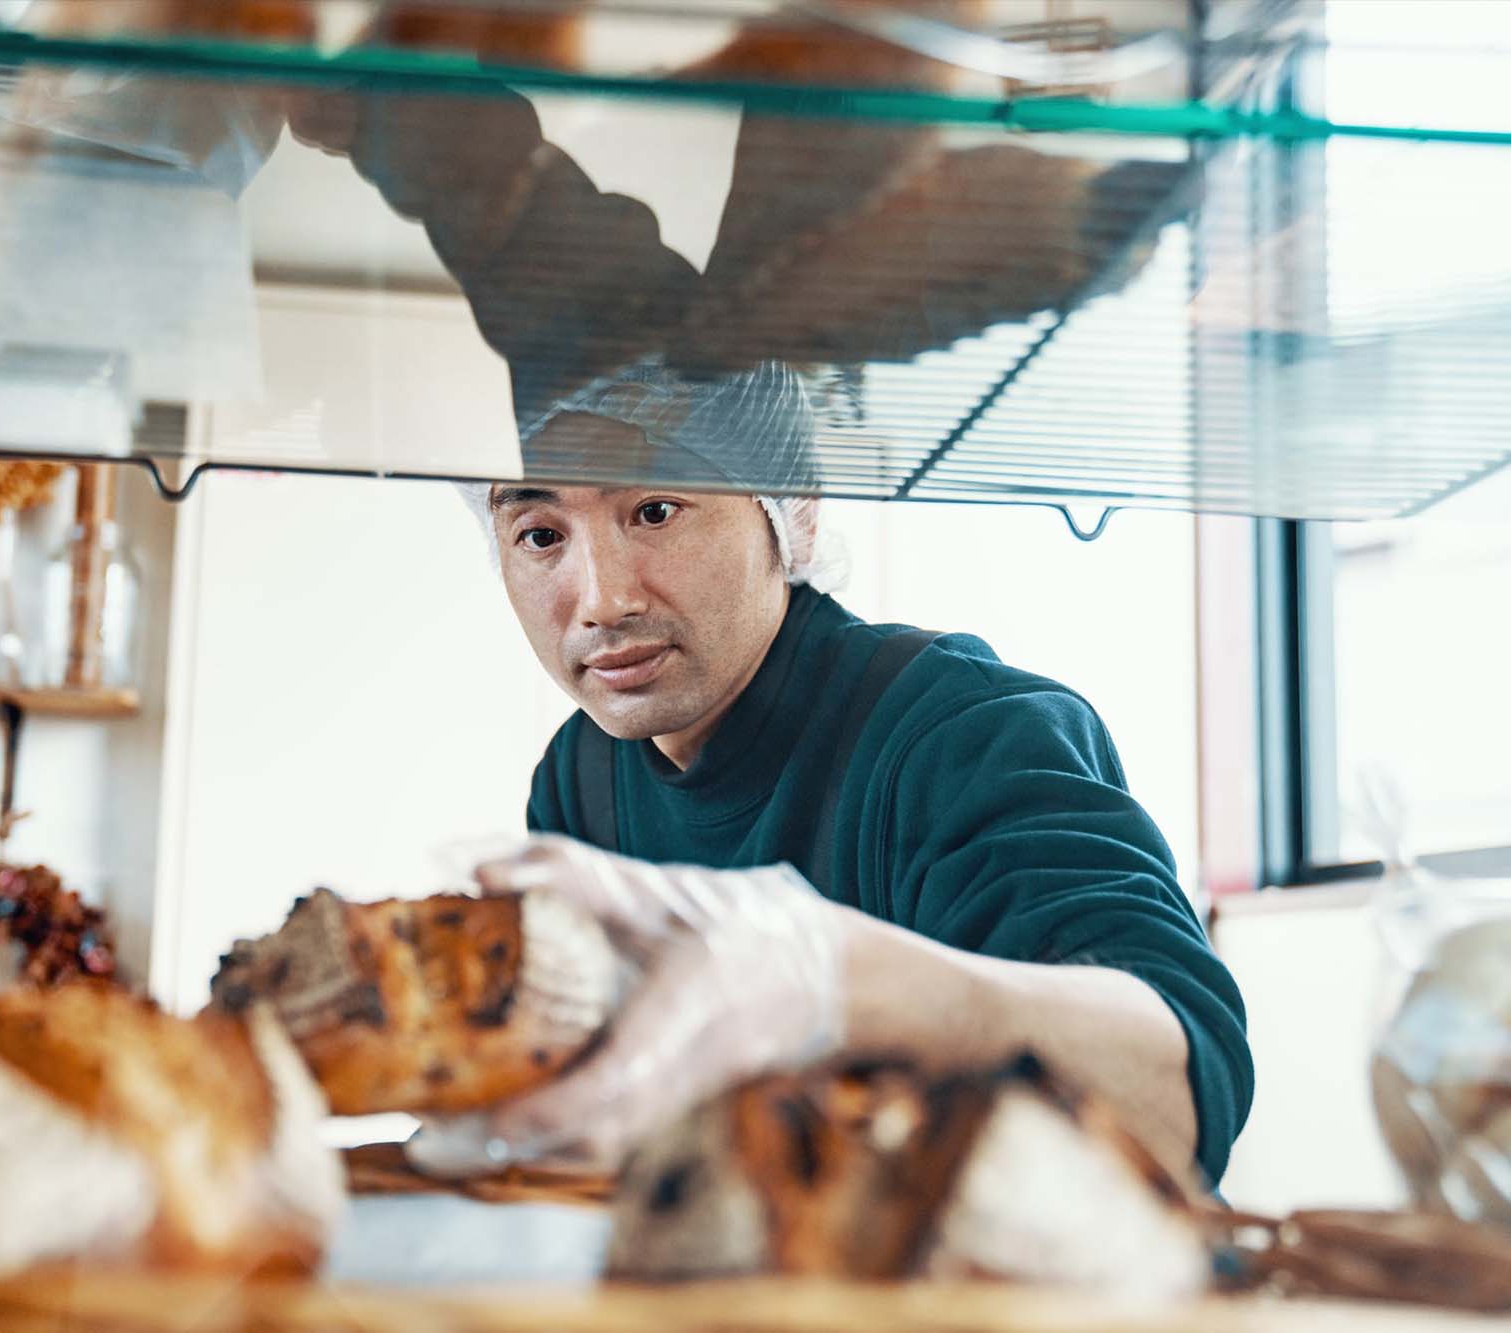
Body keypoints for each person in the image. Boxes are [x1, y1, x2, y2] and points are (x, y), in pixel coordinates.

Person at [421, 358, 1252, 1189]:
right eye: (541, 535)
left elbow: (1182, 1100)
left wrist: (838, 980)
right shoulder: (582, 775)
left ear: (796, 514)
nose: (601, 598)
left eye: (655, 509)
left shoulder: (963, 734)